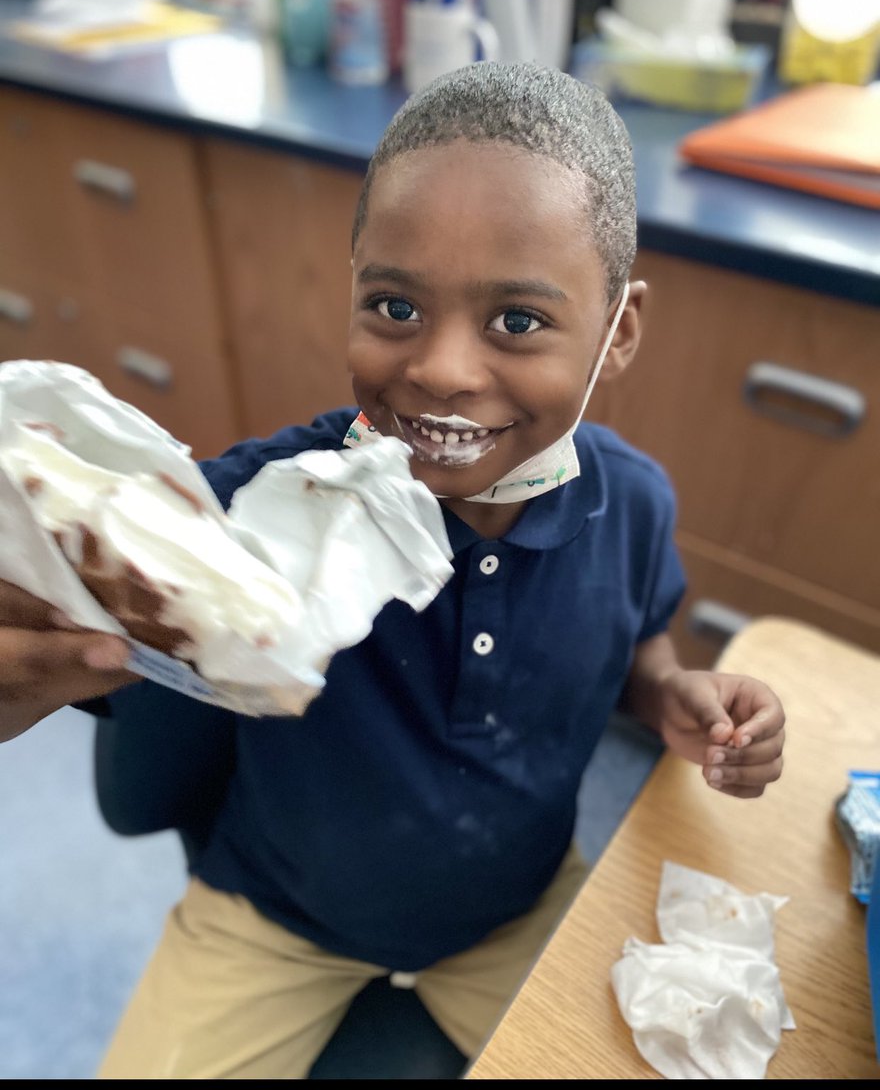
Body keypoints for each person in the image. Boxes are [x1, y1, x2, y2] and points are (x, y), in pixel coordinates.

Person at [0, 62, 786, 1079]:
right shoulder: (253, 514)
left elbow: (637, 642)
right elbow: (80, 560)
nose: (443, 369)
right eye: (395, 307)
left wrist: (675, 694)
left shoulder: (631, 504)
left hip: (514, 909)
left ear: (618, 330)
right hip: (274, 918)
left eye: (517, 320)